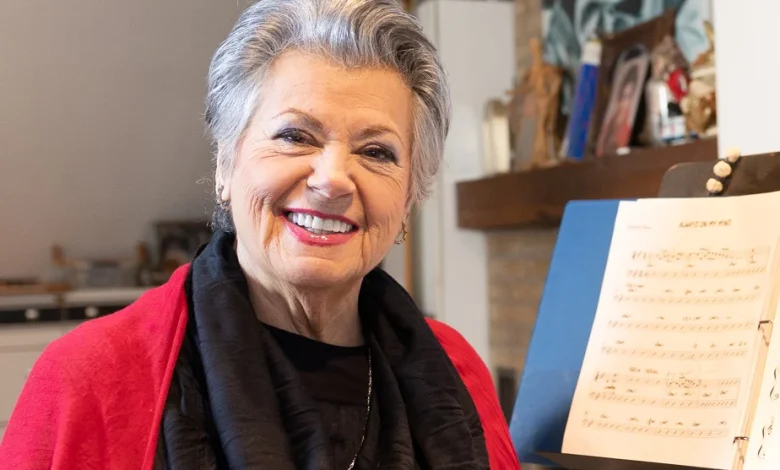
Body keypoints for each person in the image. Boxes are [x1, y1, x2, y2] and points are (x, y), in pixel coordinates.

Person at [0, 1, 520, 469]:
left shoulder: (458, 374)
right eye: (295, 136)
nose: (334, 178)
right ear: (226, 163)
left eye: (377, 151)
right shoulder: (88, 378)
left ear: (409, 198)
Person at [597, 64, 640, 157]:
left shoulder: (627, 128)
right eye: (623, 96)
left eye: (628, 97)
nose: (624, 103)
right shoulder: (607, 126)